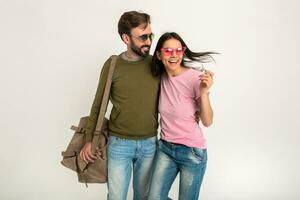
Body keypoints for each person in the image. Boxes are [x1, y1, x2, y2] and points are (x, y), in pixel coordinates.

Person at [79, 11, 159, 200]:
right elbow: (98, 105)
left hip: (149, 144)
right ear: (126, 38)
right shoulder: (113, 65)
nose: (148, 41)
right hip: (119, 144)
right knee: (116, 197)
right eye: (143, 37)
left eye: (150, 36)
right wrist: (89, 140)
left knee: (144, 197)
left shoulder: (156, 63)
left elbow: (173, 93)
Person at [148, 32, 215, 200]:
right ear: (159, 54)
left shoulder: (194, 78)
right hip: (165, 149)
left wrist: (203, 92)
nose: (174, 55)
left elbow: (207, 121)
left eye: (179, 50)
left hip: (192, 152)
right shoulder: (159, 77)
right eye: (168, 51)